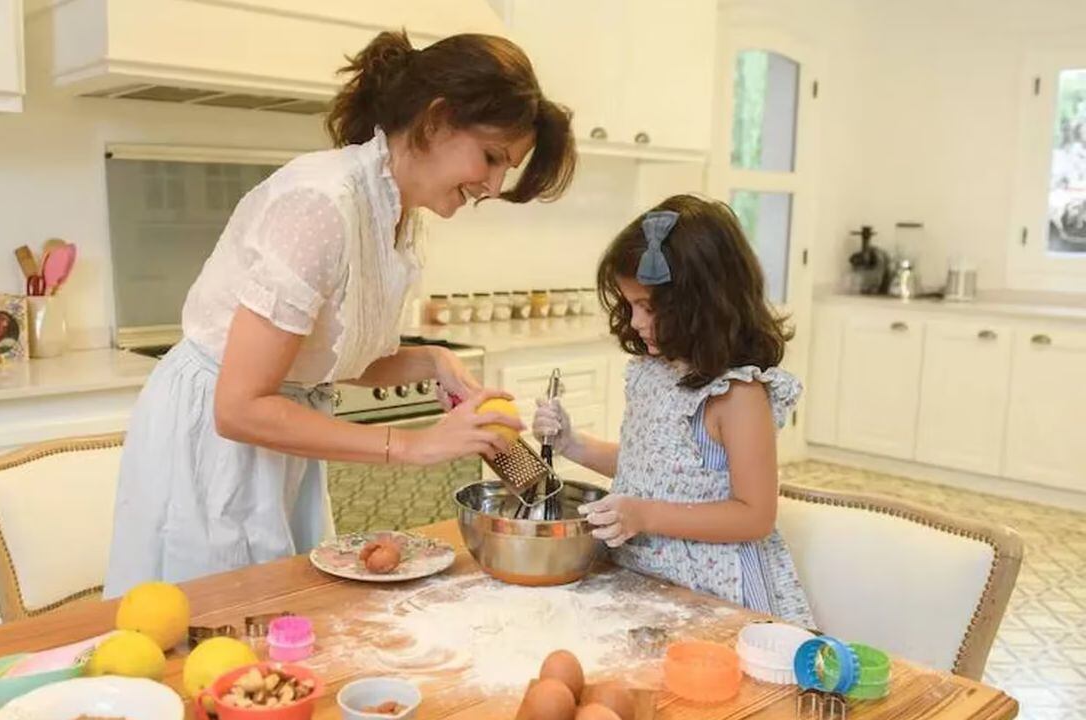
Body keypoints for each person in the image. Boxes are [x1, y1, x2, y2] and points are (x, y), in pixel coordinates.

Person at [104, 30, 577, 597]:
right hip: (214, 446)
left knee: (279, 629)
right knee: (207, 634)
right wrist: (414, 445)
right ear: (437, 119)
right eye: (493, 157)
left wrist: (432, 362)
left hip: (277, 443)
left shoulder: (393, 211)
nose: (495, 185)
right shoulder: (321, 204)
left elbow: (330, 356)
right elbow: (238, 407)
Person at [532, 195, 814, 625]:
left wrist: (644, 514)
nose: (637, 322)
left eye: (649, 307)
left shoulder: (737, 395)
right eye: (629, 306)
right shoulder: (653, 371)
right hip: (647, 575)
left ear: (706, 304)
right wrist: (572, 443)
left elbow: (755, 515)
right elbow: (650, 468)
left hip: (717, 593)